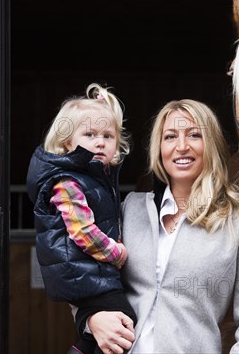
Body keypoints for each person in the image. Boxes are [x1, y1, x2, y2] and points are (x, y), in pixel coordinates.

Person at [84, 99, 239, 354]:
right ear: (159, 147)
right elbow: (81, 271)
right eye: (170, 136)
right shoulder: (130, 209)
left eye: (194, 135)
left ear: (212, 146)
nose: (181, 147)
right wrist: (90, 318)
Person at [26, 83, 137, 354]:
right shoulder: (67, 182)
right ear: (67, 141)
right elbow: (83, 232)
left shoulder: (95, 178)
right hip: (83, 275)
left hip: (90, 274)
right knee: (124, 322)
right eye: (89, 134)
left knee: (105, 331)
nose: (100, 141)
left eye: (108, 136)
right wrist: (117, 253)